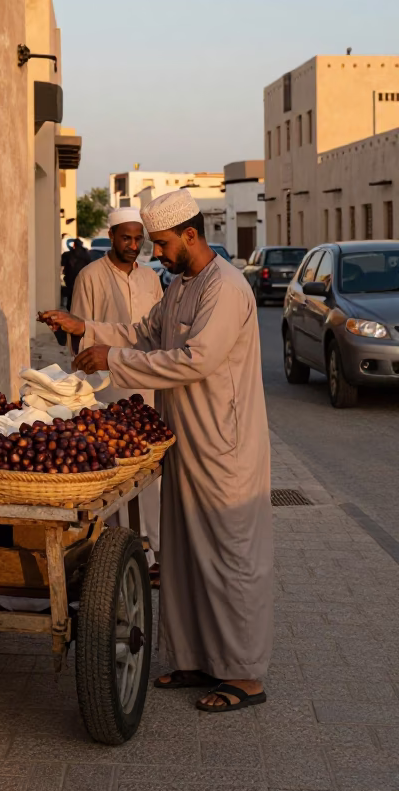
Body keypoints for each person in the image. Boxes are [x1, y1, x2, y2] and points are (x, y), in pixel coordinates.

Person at [42, 189, 273, 714]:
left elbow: (196, 359)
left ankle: (244, 675)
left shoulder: (227, 288)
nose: (156, 254)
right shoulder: (182, 286)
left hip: (224, 445)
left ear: (191, 235)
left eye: (164, 244)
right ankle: (196, 659)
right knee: (185, 556)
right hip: (183, 440)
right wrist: (88, 330)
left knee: (229, 557)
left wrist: (113, 359)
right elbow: (146, 332)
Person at [69, 207, 163, 578]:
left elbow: (155, 333)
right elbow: (78, 336)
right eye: (127, 238)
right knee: (114, 469)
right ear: (112, 235)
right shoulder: (89, 276)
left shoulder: (151, 279)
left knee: (149, 470)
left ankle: (153, 550)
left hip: (148, 385)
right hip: (108, 390)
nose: (134, 245)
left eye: (139, 239)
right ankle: (114, 553)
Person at [60, 238, 90, 309]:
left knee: (71, 294)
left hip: (70, 278)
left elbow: (62, 263)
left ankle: (71, 307)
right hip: (81, 277)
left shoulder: (68, 254)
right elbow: (90, 264)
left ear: (74, 245)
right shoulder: (86, 254)